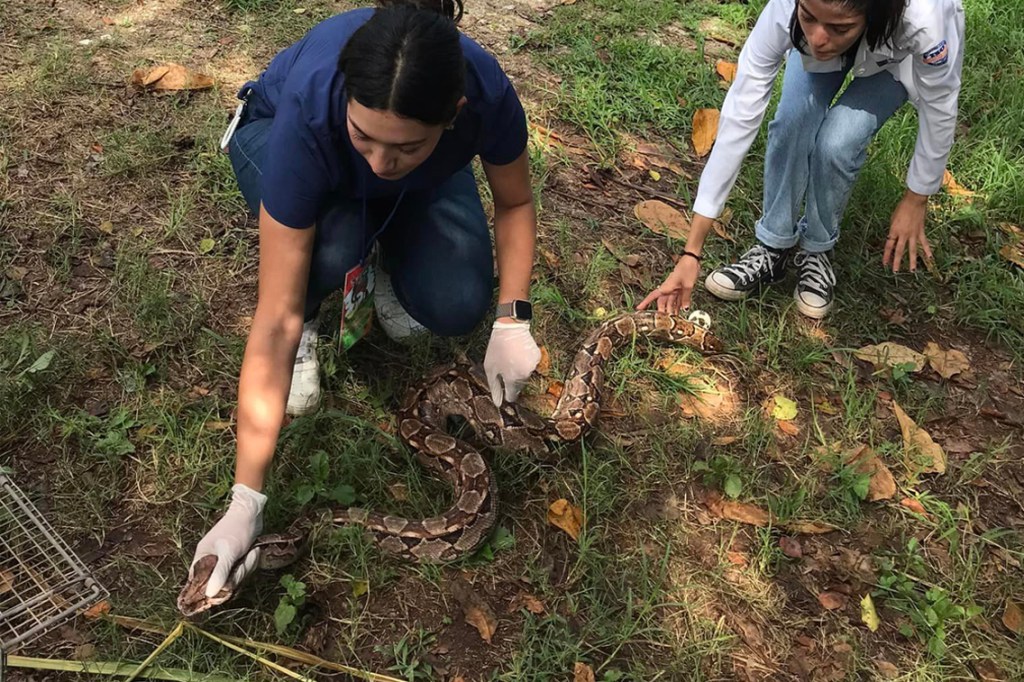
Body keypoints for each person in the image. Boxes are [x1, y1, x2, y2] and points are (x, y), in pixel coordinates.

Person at [188, 0, 541, 598]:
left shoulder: (484, 93)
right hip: (272, 133)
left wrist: (513, 318)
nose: (381, 162)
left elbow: (514, 202)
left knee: (457, 301)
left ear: (453, 117)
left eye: (405, 146)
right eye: (366, 137)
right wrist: (245, 500)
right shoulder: (311, 108)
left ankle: (382, 242)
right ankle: (331, 294)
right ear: (346, 101)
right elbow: (271, 320)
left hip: (413, 155)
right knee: (331, 248)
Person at [639, 0, 964, 319]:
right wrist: (691, 251)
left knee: (838, 141)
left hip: (894, 58)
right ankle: (772, 246)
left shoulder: (926, 18)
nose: (819, 38)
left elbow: (941, 103)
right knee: (793, 120)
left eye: (839, 28)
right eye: (808, 16)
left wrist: (917, 197)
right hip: (846, 30)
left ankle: (817, 250)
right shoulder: (788, 12)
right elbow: (740, 114)